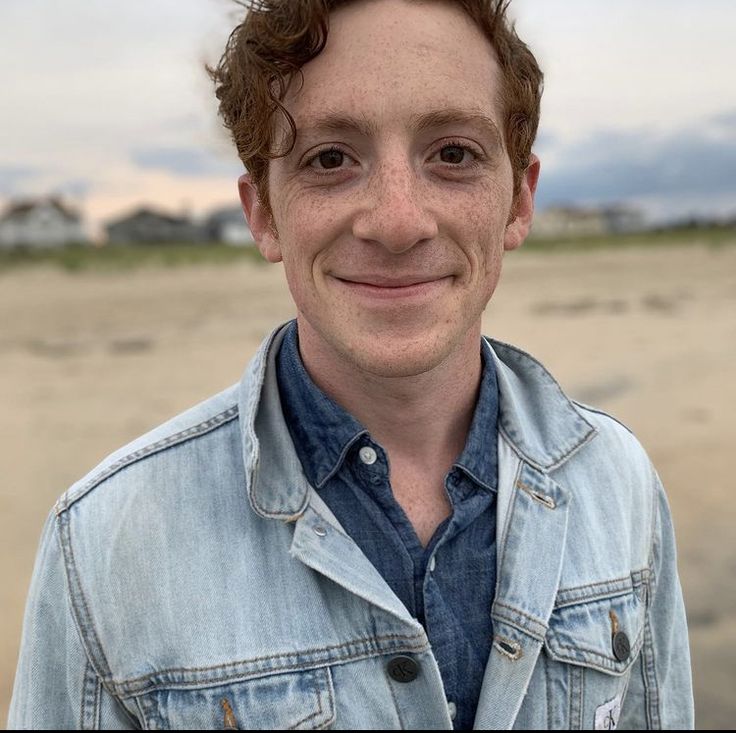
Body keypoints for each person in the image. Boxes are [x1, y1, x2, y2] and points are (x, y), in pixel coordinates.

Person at [9, 0, 694, 729]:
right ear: (264, 213)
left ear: (518, 200)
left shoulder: (618, 482)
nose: (397, 221)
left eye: (454, 154)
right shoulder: (106, 539)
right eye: (329, 159)